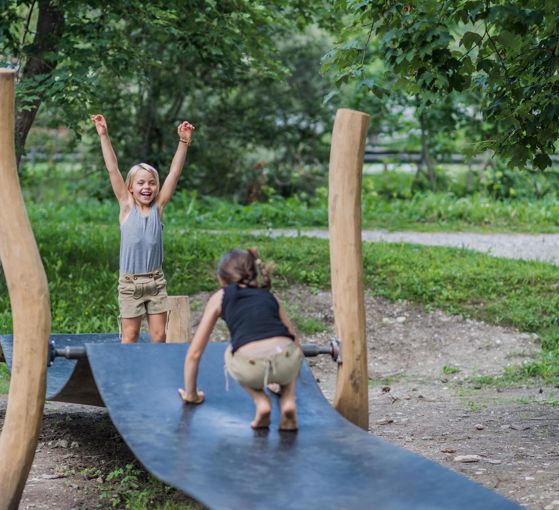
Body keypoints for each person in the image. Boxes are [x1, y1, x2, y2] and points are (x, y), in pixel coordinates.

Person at [91, 114, 195, 344]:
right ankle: (128, 379)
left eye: (151, 182)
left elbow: (174, 174)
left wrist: (183, 142)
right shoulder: (127, 207)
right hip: (129, 284)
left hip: (156, 282)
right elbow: (112, 169)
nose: (146, 187)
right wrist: (104, 135)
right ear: (130, 187)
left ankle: (154, 379)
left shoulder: (158, 208)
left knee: (159, 337)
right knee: (130, 336)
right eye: (141, 183)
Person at [179, 248, 303, 431]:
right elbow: (295, 341)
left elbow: (195, 354)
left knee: (232, 351)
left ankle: (261, 403)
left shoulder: (220, 297)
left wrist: (191, 394)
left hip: (250, 366)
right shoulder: (270, 296)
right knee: (288, 346)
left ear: (222, 279)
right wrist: (285, 378)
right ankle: (288, 401)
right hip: (286, 361)